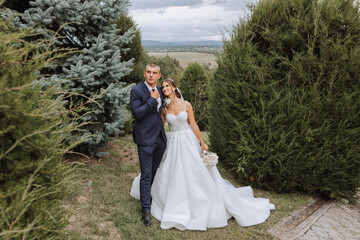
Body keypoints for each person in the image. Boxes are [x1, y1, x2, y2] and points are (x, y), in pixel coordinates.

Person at [130, 79, 275, 230]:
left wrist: (202, 142)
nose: (165, 88)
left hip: (187, 141)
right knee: (170, 171)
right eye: (163, 86)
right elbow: (160, 124)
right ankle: (171, 200)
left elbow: (193, 124)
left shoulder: (186, 104)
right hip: (172, 141)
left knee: (194, 172)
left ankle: (200, 200)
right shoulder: (164, 108)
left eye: (168, 86)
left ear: (173, 88)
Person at [130, 63, 167, 226]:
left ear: (159, 76)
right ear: (144, 74)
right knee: (146, 175)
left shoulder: (161, 91)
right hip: (145, 139)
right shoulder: (136, 91)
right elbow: (137, 113)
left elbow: (161, 113)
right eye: (148, 72)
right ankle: (146, 209)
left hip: (159, 139)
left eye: (155, 73)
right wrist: (152, 100)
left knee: (153, 172)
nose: (151, 75)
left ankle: (150, 196)